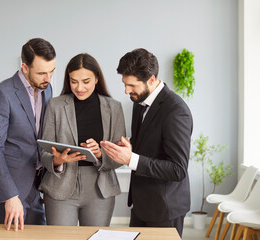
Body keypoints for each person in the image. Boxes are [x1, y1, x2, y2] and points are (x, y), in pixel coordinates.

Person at [100, 48, 193, 237]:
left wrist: (131, 159)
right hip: (142, 204)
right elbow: (148, 142)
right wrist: (127, 146)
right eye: (124, 84)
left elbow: (178, 169)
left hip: (165, 209)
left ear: (151, 79)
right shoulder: (139, 100)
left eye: (132, 85)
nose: (126, 91)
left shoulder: (176, 111)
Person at [39, 53, 126, 226]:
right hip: (60, 187)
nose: (79, 87)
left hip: (100, 189)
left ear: (96, 79)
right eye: (73, 81)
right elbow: (43, 153)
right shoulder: (56, 105)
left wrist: (100, 154)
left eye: (86, 81)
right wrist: (58, 160)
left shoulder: (114, 108)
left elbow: (121, 157)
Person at [0, 38, 56, 231]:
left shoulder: (47, 89)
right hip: (8, 189)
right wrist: (10, 195)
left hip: (36, 186)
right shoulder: (1, 93)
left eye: (52, 71)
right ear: (25, 67)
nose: (48, 78)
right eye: (41, 72)